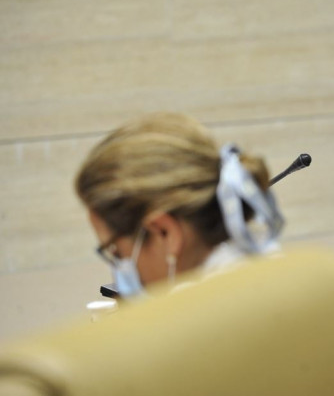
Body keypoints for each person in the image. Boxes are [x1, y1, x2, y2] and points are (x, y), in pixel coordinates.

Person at [75, 112, 283, 299]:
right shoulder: (271, 275)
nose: (118, 271)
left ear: (165, 232)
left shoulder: (195, 326)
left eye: (116, 253)